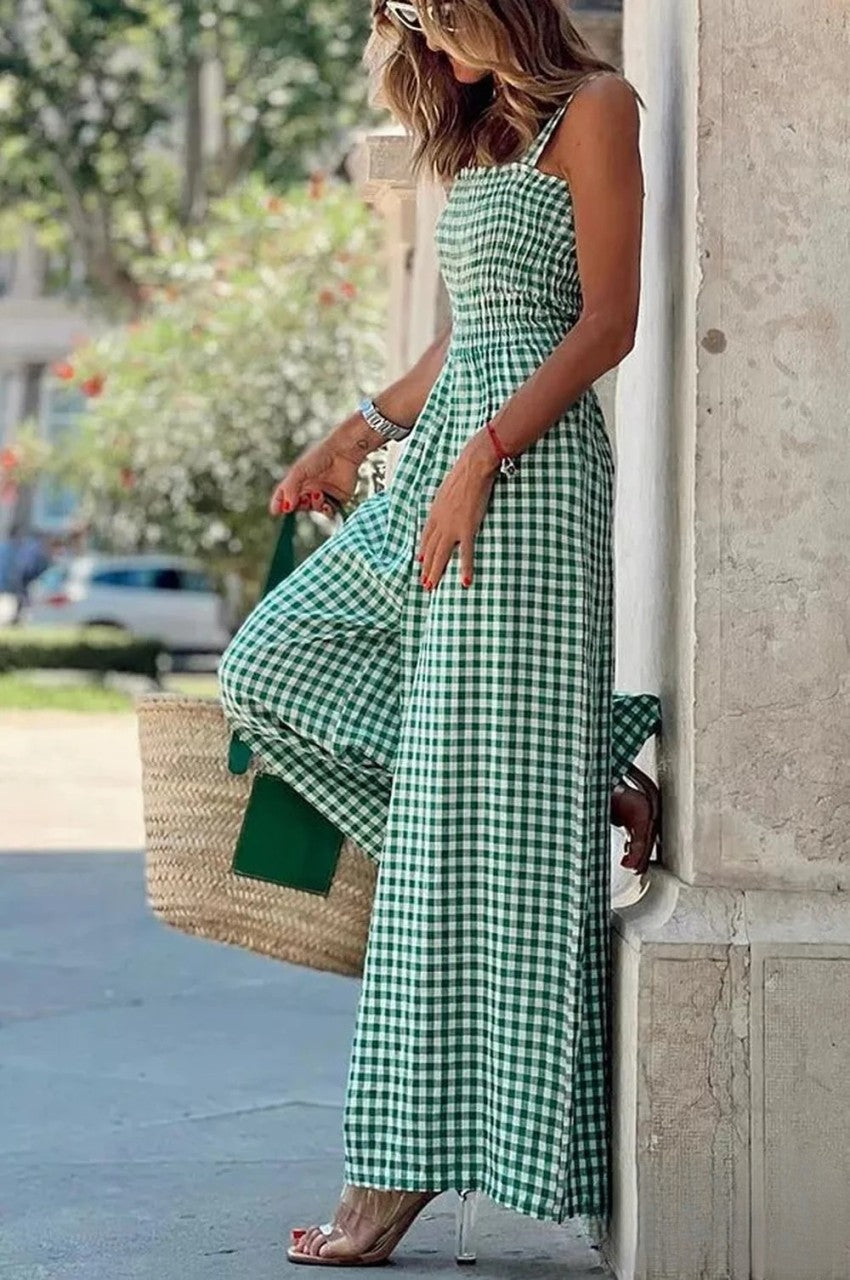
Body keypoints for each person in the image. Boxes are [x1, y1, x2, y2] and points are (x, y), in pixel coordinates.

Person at [219, 0, 663, 1264]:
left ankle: (394, 1172)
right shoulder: (476, 133)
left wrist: (481, 457)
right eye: (406, 22)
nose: (424, 44)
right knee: (268, 664)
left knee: (452, 838)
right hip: (442, 469)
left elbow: (607, 322)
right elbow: (463, 340)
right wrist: (352, 431)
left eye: (433, 16)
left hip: (526, 481)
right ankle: (578, 771)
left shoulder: (597, 110)